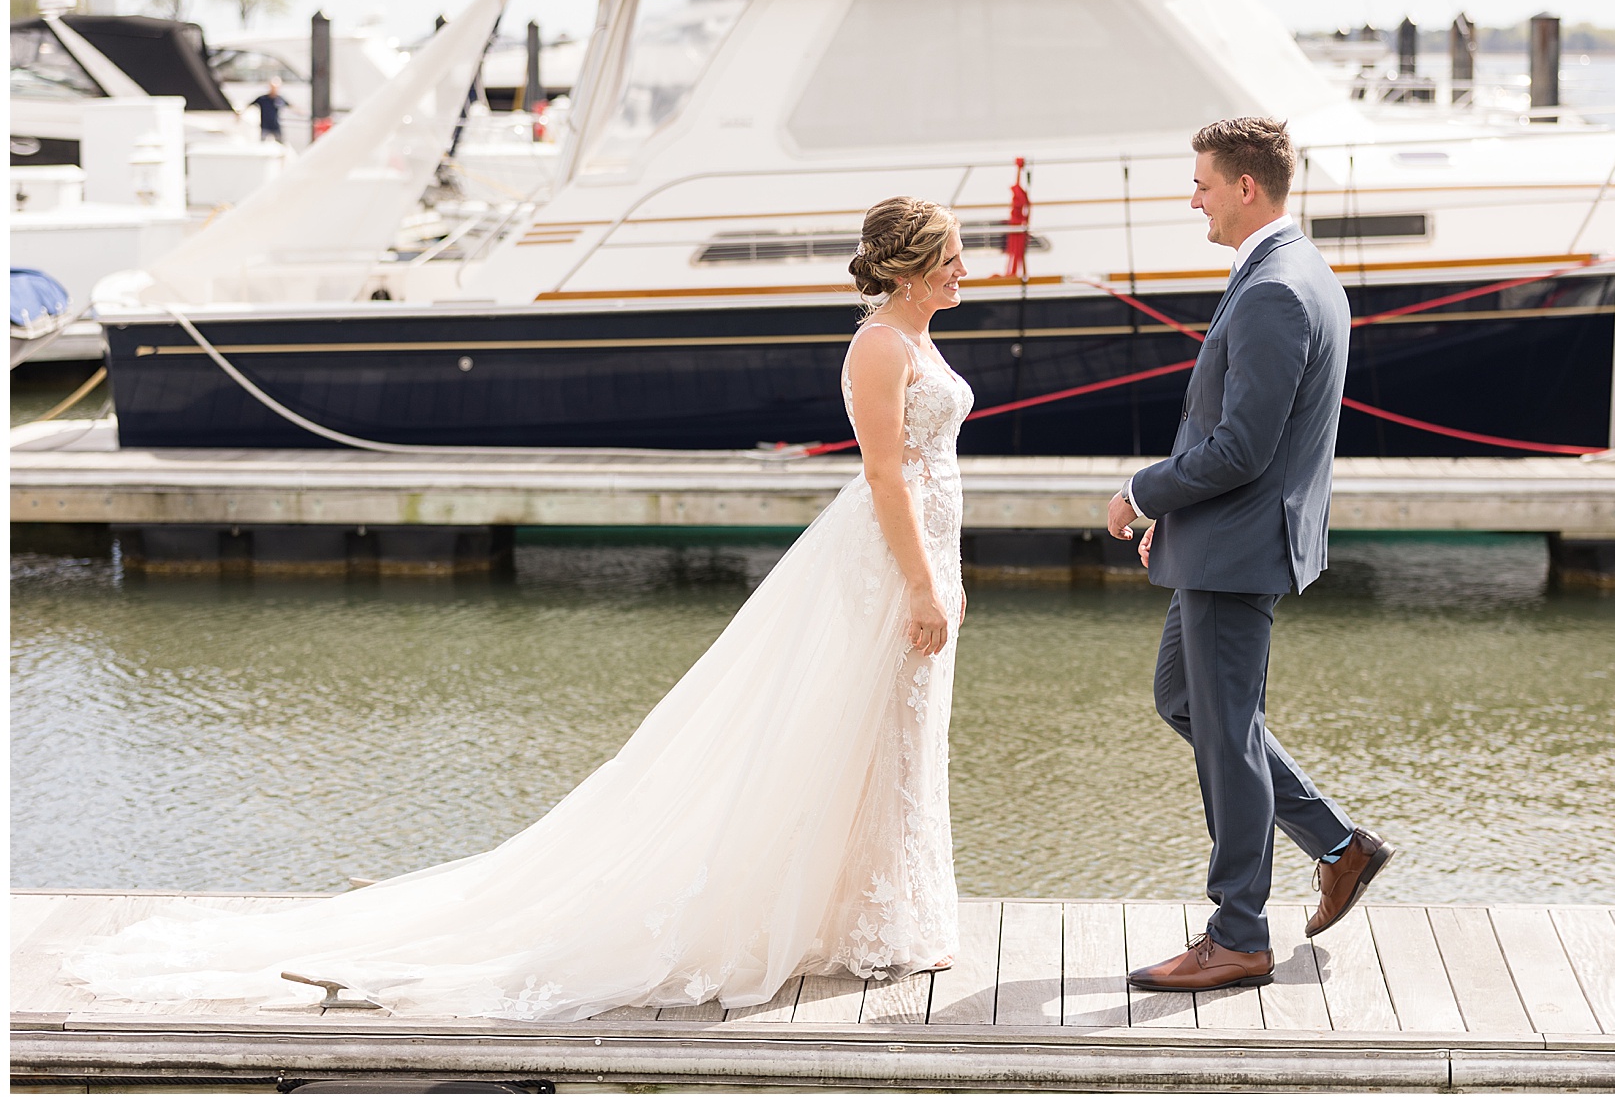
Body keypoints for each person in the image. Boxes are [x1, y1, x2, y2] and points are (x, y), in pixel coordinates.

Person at [64, 197, 973, 1021]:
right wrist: (924, 583)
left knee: (899, 729)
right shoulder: (878, 346)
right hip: (883, 566)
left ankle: (879, 914)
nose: (962, 274)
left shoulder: (919, 339)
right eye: (951, 260)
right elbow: (885, 474)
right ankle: (864, 923)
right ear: (906, 266)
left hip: (922, 556)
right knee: (865, 731)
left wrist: (946, 570)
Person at [1105, 117, 1395, 992]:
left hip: (1237, 548)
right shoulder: (1298, 270)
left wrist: (1146, 492)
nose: (1191, 196)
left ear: (1245, 187)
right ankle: (1339, 844)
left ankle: (1238, 934)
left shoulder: (1276, 287)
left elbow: (1242, 447)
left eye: (1201, 182)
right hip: (1221, 539)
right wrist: (1180, 517)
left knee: (1225, 736)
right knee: (1186, 700)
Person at [250, 78, 288, 143]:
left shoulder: (279, 99)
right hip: (265, 126)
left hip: (275, 125)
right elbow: (251, 104)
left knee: (281, 142)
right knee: (262, 142)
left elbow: (289, 105)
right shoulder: (263, 99)